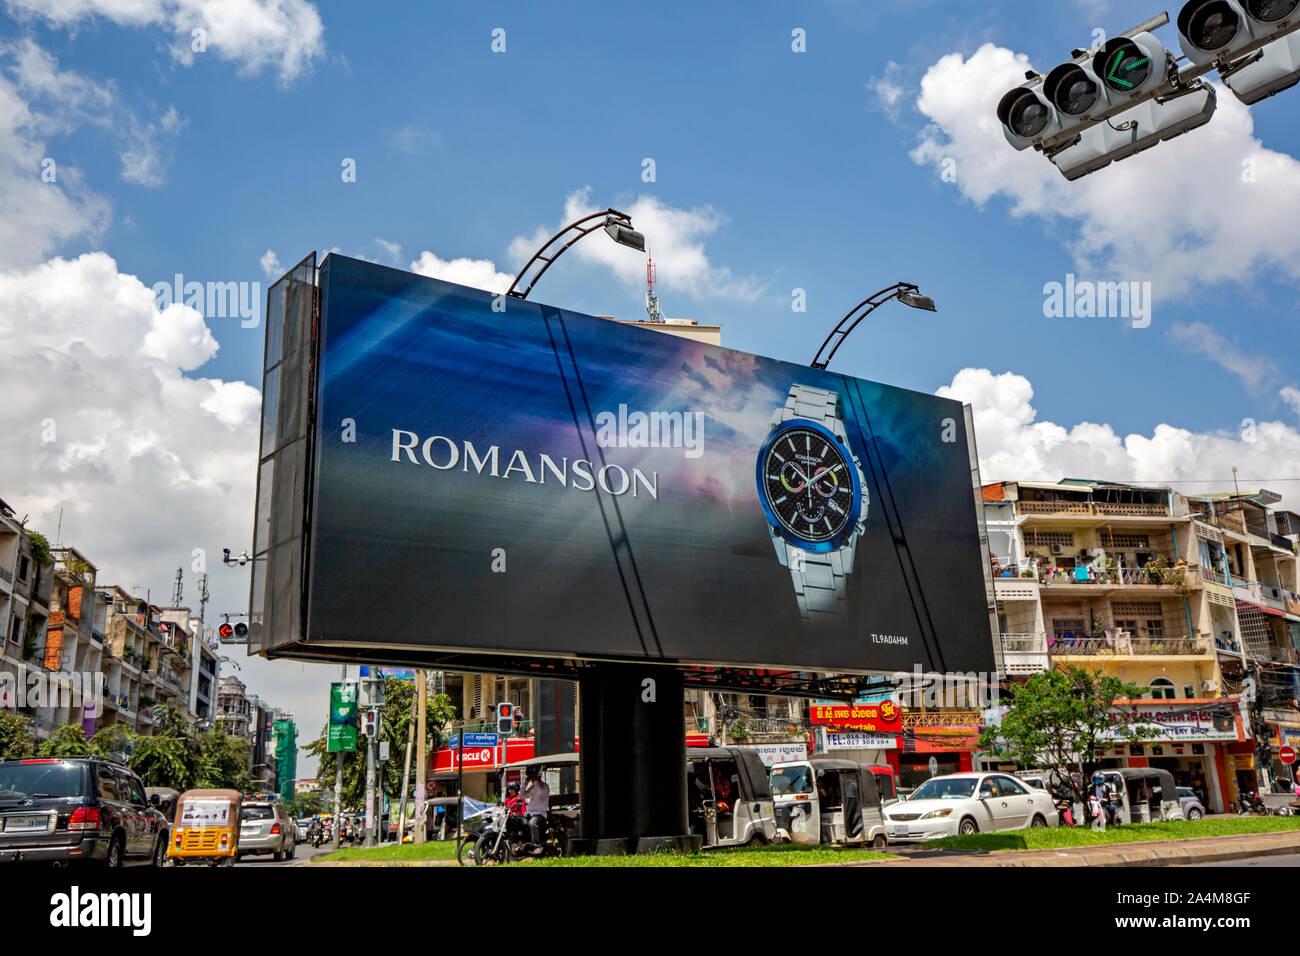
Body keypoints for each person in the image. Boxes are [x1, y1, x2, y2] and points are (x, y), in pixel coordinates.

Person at [523, 771, 550, 846]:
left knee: (532, 823)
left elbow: (539, 793)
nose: (532, 779)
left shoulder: (544, 787)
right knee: (518, 822)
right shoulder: (532, 788)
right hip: (529, 813)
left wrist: (535, 782)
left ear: (539, 776)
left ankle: (536, 844)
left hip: (540, 814)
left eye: (534, 777)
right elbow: (521, 795)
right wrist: (525, 783)